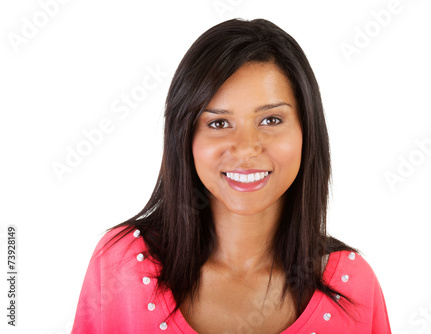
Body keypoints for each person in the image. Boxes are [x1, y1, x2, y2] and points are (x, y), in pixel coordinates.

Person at [71, 18, 391, 333]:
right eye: (219, 123)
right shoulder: (121, 264)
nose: (246, 149)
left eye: (271, 120)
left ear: (307, 131)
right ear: (185, 138)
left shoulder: (352, 285)